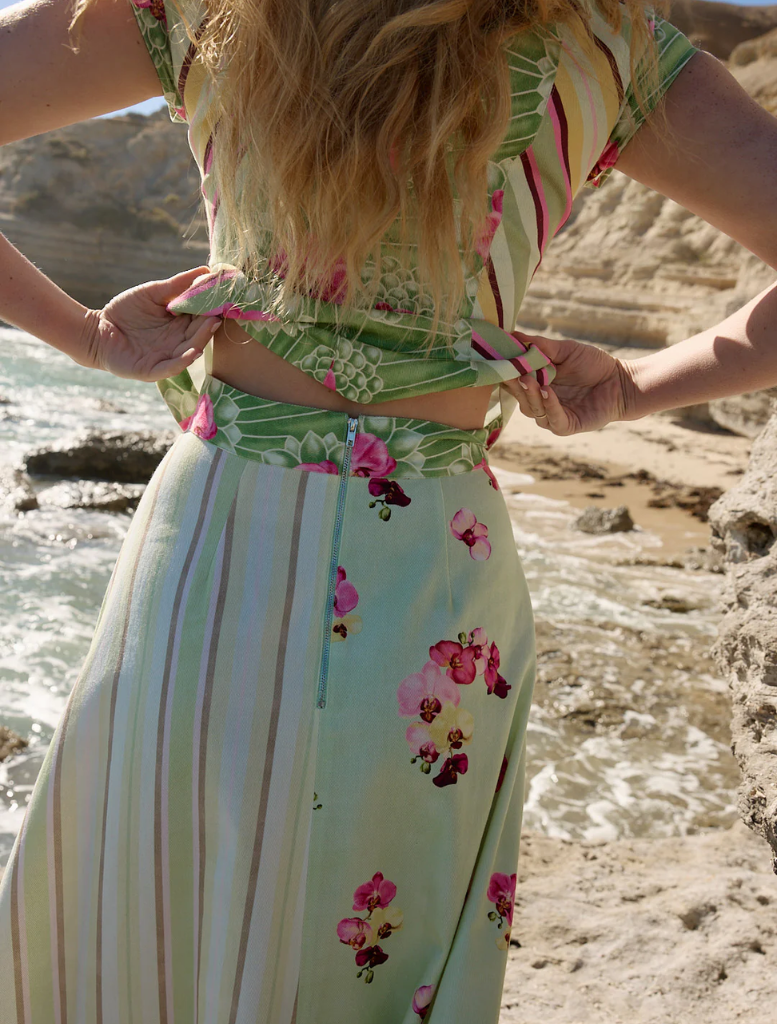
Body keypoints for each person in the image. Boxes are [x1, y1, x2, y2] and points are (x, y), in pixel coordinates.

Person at [0, 0, 775, 1021]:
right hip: (432, 570)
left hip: (218, 537)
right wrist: (632, 389)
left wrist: (92, 337)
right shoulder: (608, 44)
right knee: (373, 962)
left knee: (162, 927)